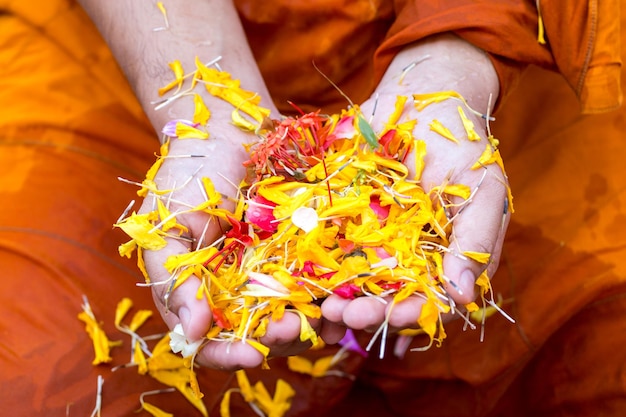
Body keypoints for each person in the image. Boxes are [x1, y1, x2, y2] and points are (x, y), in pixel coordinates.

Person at [0, 0, 624, 416]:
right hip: (156, 54)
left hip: (485, 65)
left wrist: (456, 58)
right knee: (41, 380)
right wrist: (201, 106)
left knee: (599, 346)